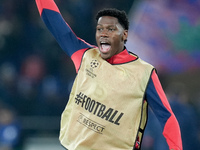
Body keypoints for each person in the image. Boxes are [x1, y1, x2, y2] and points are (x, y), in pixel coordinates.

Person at [35, 0, 182, 150]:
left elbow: (167, 117)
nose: (103, 34)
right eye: (100, 29)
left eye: (110, 29)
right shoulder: (85, 55)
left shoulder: (144, 74)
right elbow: (54, 21)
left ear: (124, 35)